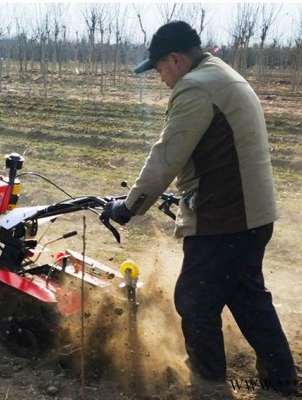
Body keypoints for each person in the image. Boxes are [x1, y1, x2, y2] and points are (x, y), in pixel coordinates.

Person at [102, 21, 298, 396]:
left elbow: (166, 158)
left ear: (175, 59)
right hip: (254, 215)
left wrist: (128, 207)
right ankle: (282, 384)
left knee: (194, 300)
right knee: (248, 298)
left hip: (225, 219)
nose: (161, 79)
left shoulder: (194, 87)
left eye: (159, 69)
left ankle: (209, 389)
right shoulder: (223, 75)